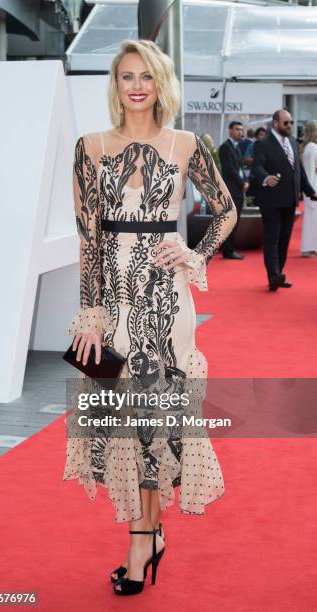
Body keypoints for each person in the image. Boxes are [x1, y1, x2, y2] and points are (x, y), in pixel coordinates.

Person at [62, 39, 237, 597]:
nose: (136, 85)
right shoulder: (90, 147)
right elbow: (90, 239)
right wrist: (90, 313)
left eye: (146, 76)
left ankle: (142, 540)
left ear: (161, 83)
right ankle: (150, 533)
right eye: (126, 76)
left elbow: (226, 209)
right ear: (115, 86)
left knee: (156, 421)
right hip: (113, 301)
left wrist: (197, 253)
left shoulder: (188, 144)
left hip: (167, 302)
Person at [252, 109, 317, 291]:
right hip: (271, 200)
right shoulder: (263, 144)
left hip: (290, 199)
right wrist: (266, 177)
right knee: (272, 237)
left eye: (291, 122)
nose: (290, 126)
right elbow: (257, 167)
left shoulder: (293, 143)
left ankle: (278, 274)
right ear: (276, 123)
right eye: (286, 123)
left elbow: (300, 172)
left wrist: (311, 192)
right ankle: (273, 275)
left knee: (284, 240)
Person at [218, 121, 249, 259]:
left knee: (235, 221)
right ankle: (228, 250)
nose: (240, 132)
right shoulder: (225, 147)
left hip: (238, 189)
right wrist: (242, 182)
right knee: (231, 221)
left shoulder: (237, 147)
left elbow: (240, 168)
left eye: (241, 130)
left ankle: (230, 249)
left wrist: (245, 181)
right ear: (230, 130)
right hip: (231, 189)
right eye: (237, 129)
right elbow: (230, 169)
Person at [300, 120, 317, 257]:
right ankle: (308, 248)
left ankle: (311, 247)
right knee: (312, 219)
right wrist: (312, 192)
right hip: (313, 186)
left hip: (312, 185)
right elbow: (310, 171)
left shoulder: (309, 147)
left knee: (313, 219)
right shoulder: (311, 147)